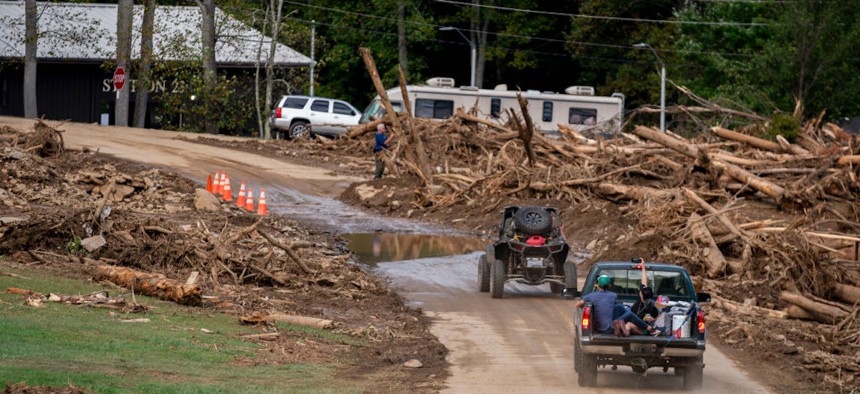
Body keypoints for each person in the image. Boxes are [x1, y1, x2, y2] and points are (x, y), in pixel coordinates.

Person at [625, 260, 659, 335]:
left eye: (641, 292)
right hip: (635, 325)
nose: (640, 291)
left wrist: (653, 319)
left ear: (642, 296)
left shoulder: (651, 306)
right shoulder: (644, 298)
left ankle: (623, 337)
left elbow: (658, 316)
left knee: (628, 324)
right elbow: (644, 282)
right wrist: (643, 267)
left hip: (642, 329)